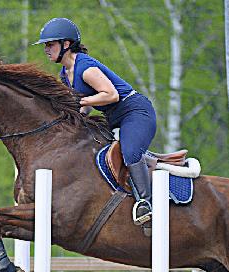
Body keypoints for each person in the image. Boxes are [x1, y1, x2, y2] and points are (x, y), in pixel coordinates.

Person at [33, 18, 158, 231]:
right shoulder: (65, 74)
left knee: (129, 152)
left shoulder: (85, 68)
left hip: (136, 113)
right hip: (116, 118)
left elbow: (111, 94)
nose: (46, 49)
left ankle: (146, 204)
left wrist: (81, 102)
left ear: (65, 45)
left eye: (50, 44)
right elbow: (87, 106)